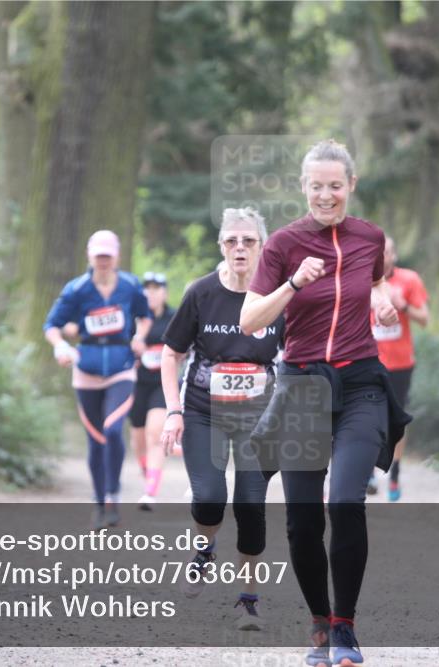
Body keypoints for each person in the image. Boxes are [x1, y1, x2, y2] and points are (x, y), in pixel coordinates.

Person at [240, 139, 409, 667]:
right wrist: (293, 282)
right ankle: (318, 618)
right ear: (304, 187)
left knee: (345, 500)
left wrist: (381, 306)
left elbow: (374, 283)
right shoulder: (283, 246)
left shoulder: (370, 238)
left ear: (351, 186)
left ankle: (345, 627)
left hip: (360, 383)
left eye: (335, 185)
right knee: (303, 519)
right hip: (302, 388)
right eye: (316, 185)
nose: (326, 194)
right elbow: (251, 321)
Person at [160, 207, 284, 631]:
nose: (239, 248)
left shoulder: (277, 298)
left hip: (258, 419)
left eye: (248, 241)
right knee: (211, 496)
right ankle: (204, 549)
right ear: (221, 246)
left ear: (262, 246)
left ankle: (248, 599)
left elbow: (298, 358)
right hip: (203, 412)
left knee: (250, 505)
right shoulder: (201, 293)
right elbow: (170, 354)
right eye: (231, 240)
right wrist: (173, 412)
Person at [44, 230, 151, 530]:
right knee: (96, 440)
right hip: (87, 371)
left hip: (121, 368)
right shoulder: (77, 289)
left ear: (116, 256)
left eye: (108, 256)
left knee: (113, 430)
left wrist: (140, 337)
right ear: (90, 257)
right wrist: (61, 345)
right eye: (98, 256)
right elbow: (51, 325)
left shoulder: (130, 285)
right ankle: (99, 500)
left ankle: (113, 495)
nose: (103, 261)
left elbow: (144, 316)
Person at [369, 236, 428, 501]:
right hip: (369, 362)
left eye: (388, 252)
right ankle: (369, 472)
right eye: (379, 253)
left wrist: (402, 305)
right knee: (367, 417)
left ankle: (394, 473)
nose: (384, 258)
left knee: (396, 422)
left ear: (395, 255)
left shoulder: (410, 280)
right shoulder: (362, 280)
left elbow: (425, 319)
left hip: (401, 364)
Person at [129, 272, 175, 511]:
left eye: (157, 289)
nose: (151, 293)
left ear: (164, 293)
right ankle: (148, 472)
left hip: (162, 383)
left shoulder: (174, 316)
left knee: (154, 433)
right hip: (137, 382)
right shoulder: (133, 317)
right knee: (138, 436)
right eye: (147, 289)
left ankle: (150, 491)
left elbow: (185, 343)